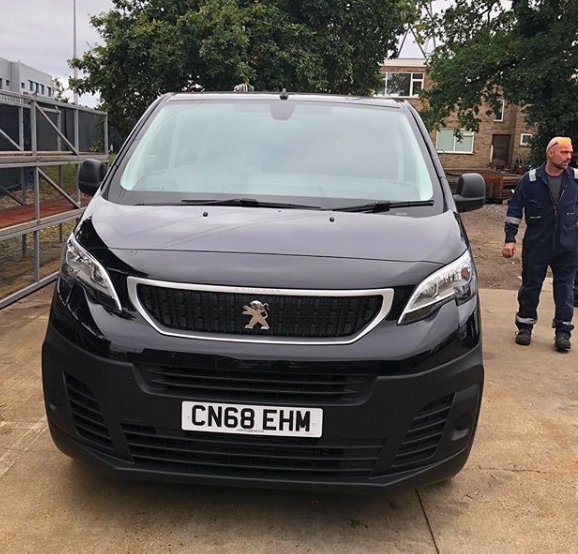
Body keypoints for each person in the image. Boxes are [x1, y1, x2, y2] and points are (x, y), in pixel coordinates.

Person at [502, 136, 578, 351]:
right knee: (530, 285)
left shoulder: (575, 179)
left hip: (568, 244)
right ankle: (525, 327)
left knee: (564, 289)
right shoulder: (531, 179)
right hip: (538, 244)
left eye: (570, 152)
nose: (569, 157)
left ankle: (563, 332)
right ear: (550, 153)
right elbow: (515, 209)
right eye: (564, 152)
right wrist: (510, 238)